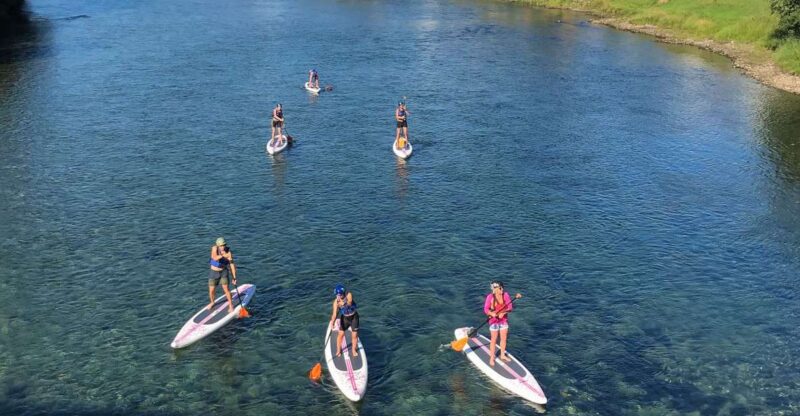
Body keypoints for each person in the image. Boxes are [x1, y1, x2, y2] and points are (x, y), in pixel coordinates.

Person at [483, 281, 521, 366]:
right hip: (493, 321)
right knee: (493, 340)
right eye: (500, 288)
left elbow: (510, 307)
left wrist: (503, 313)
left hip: (503, 320)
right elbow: (486, 309)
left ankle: (502, 355)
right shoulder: (490, 297)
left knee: (503, 339)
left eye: (502, 287)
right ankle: (492, 358)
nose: (502, 289)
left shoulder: (505, 295)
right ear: (495, 289)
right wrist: (492, 313)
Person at [328, 283, 360, 357]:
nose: (338, 296)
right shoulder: (336, 302)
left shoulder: (349, 294)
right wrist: (332, 322)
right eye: (337, 295)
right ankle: (338, 350)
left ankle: (353, 350)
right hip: (345, 318)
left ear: (343, 293)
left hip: (354, 317)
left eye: (339, 295)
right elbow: (334, 314)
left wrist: (343, 303)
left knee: (354, 335)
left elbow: (349, 302)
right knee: (340, 334)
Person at [208, 237, 237, 313]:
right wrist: (223, 255)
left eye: (224, 245)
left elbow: (232, 265)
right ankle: (212, 302)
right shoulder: (214, 248)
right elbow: (214, 258)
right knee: (211, 290)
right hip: (213, 272)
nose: (222, 247)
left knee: (226, 289)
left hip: (223, 272)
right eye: (221, 246)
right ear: (217, 245)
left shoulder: (228, 252)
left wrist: (234, 277)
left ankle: (230, 305)